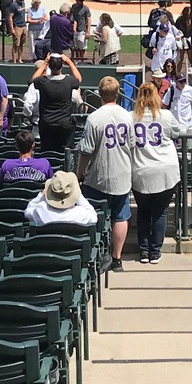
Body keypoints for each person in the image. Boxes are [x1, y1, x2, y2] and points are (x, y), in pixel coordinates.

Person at [77, 76, 135, 270]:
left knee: (93, 216)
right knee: (120, 216)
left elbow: (86, 152)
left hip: (97, 177)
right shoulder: (128, 116)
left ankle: (97, 254)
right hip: (121, 175)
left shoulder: (94, 117)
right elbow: (133, 146)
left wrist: (79, 173)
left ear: (100, 93)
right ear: (118, 93)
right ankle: (116, 259)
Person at [130, 80, 181, 264]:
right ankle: (154, 252)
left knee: (144, 211)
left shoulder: (131, 117)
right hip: (165, 171)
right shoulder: (165, 115)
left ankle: (144, 251)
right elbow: (177, 132)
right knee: (160, 212)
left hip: (140, 171)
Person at [29, 53, 84, 156]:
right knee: (65, 155)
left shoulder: (43, 81)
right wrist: (69, 62)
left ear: (49, 66)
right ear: (62, 66)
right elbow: (79, 79)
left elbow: (33, 79)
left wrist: (45, 62)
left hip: (46, 124)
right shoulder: (68, 81)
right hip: (64, 124)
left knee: (47, 154)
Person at [25, 171, 99, 227]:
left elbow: (28, 211)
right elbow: (94, 217)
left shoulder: (41, 210)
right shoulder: (81, 213)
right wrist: (78, 195)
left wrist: (41, 195)